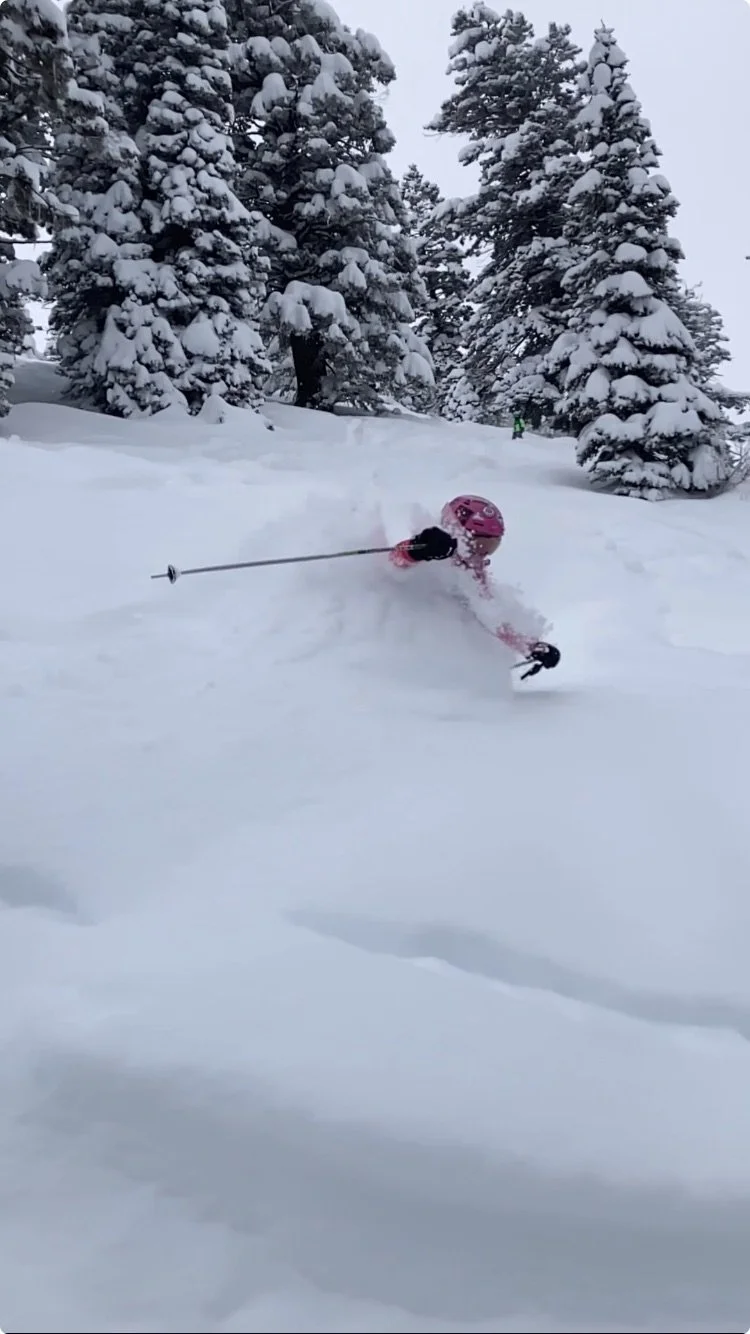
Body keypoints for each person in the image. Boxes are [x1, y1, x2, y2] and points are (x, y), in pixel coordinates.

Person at [390, 494, 560, 677]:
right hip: (401, 642)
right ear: (458, 532)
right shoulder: (433, 549)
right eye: (480, 544)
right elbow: (394, 562)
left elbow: (492, 618)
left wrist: (531, 647)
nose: (484, 553)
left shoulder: (473, 572)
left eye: (492, 546)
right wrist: (418, 550)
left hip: (437, 655)